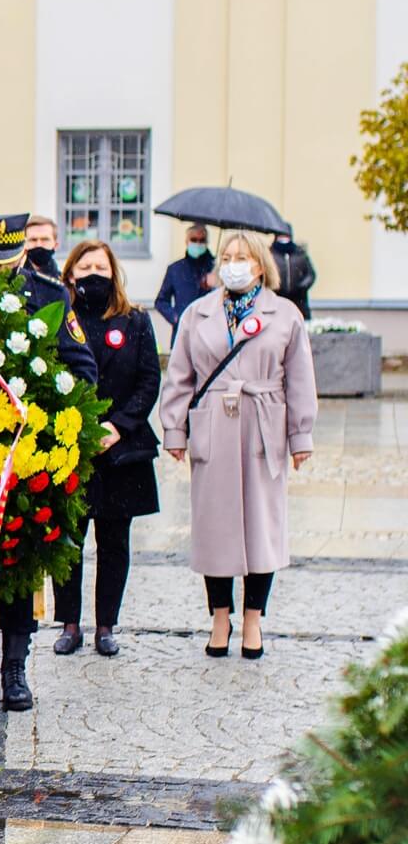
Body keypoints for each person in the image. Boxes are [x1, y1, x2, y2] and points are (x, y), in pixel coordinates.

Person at [0, 213, 97, 712]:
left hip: (27, 458)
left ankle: (14, 670)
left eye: (7, 267)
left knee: (17, 563)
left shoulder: (51, 296)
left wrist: (53, 418)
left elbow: (81, 368)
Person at [158, 231, 318, 661]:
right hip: (213, 425)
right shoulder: (197, 314)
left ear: (260, 266)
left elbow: (300, 378)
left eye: (242, 257)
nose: (233, 263)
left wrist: (300, 436)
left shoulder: (284, 315)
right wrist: (174, 429)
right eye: (227, 256)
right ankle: (219, 617)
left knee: (262, 529)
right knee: (215, 529)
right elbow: (179, 375)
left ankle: (253, 618)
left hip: (264, 424)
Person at [51, 240, 161, 657]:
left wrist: (117, 426)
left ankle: (106, 626)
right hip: (71, 448)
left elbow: (149, 380)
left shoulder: (134, 321)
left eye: (101, 266)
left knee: (114, 542)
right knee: (68, 542)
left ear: (114, 273)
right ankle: (69, 623)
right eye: (86, 266)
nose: (94, 273)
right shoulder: (61, 319)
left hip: (121, 451)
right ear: (71, 273)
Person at [155, 223, 216, 334]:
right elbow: (161, 301)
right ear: (186, 241)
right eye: (194, 239)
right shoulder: (175, 269)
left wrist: (216, 285)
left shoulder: (216, 268)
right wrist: (175, 317)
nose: (198, 243)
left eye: (202, 240)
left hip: (209, 330)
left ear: (207, 243)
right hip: (182, 332)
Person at [270, 233, 316, 318]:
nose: (284, 239)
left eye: (286, 236)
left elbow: (310, 275)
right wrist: (274, 286)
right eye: (281, 236)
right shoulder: (270, 254)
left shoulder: (299, 253)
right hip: (276, 297)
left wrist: (301, 286)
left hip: (298, 300)